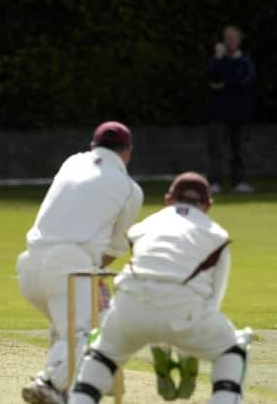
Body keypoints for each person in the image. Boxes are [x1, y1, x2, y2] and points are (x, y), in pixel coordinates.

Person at [68, 172, 251, 404]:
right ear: (208, 206)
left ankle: (81, 397)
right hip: (184, 313)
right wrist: (188, 343)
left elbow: (141, 273)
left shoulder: (143, 227)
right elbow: (213, 303)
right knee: (233, 349)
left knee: (101, 355)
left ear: (168, 200)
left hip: (129, 309)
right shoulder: (217, 236)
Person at [17, 122, 143, 404]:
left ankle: (81, 378)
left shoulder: (72, 162)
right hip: (70, 267)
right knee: (89, 328)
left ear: (92, 147)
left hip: (29, 266)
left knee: (68, 326)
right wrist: (96, 274)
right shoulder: (130, 190)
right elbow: (114, 248)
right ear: (128, 152)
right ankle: (50, 382)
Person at [207, 25, 256, 194]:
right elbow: (212, 78)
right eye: (227, 38)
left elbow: (242, 82)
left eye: (233, 38)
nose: (230, 42)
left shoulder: (245, 62)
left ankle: (239, 182)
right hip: (218, 113)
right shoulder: (217, 60)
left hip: (239, 113)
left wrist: (225, 81)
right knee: (216, 150)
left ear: (239, 41)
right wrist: (219, 60)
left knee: (239, 150)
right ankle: (215, 183)